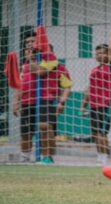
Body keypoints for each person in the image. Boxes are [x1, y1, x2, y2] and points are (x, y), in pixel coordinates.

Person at [12, 32, 72, 164]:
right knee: (26, 132)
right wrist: (16, 101)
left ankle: (47, 157)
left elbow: (42, 72)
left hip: (46, 99)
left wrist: (61, 102)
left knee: (44, 126)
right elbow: (20, 84)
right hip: (27, 101)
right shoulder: (24, 66)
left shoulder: (51, 60)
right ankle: (25, 159)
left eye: (32, 41)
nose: (29, 44)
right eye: (27, 43)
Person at [80, 33, 111, 165]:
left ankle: (104, 158)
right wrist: (83, 104)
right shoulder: (94, 70)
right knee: (96, 132)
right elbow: (89, 88)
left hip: (108, 104)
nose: (99, 56)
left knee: (102, 132)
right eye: (97, 53)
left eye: (102, 53)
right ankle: (100, 155)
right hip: (94, 104)